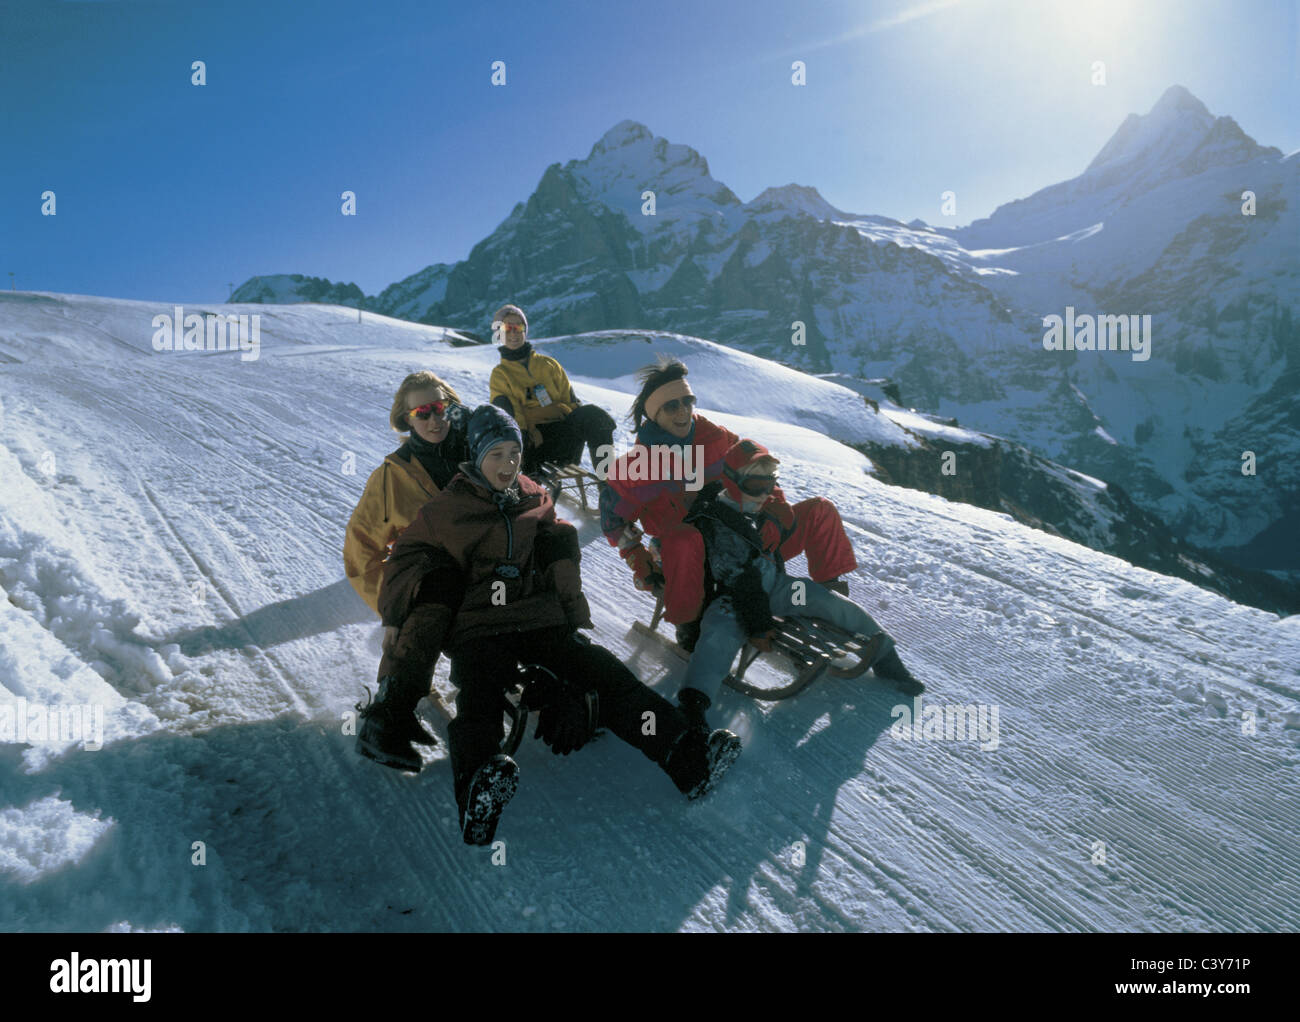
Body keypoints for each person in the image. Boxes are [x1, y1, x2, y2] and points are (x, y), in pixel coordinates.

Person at [358, 404, 741, 846]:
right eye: (496, 454)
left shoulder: (534, 498)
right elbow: (404, 560)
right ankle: (479, 789)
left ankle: (688, 759)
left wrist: (572, 629)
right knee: (480, 696)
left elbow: (560, 551)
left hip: (537, 619)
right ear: (476, 455)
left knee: (610, 677)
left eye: (514, 455)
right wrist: (399, 614)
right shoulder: (446, 509)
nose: (508, 465)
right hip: (477, 626)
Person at [598, 356, 860, 646]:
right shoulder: (637, 467)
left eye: (688, 400)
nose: (683, 411)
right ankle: (690, 625)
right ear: (654, 414)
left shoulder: (717, 438)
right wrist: (637, 558)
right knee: (684, 539)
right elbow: (613, 519)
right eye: (672, 405)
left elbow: (758, 473)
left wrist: (774, 510)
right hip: (690, 557)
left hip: (746, 537)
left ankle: (830, 602)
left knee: (820, 510)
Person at [674, 439, 924, 734]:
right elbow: (743, 581)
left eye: (771, 483)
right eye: (757, 484)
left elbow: (772, 526)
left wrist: (775, 517)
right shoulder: (716, 520)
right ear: (734, 481)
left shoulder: (756, 505)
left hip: (773, 584)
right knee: (719, 635)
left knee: (827, 601)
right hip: (730, 595)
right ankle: (694, 702)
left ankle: (886, 656)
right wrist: (758, 627)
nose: (766, 492)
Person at [343, 370, 469, 615]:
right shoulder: (391, 477)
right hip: (441, 592)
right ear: (407, 419)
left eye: (439, 407)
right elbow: (361, 551)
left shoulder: (478, 453)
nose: (434, 420)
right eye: (421, 413)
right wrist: (399, 604)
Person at [488, 303, 616, 478]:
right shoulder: (500, 375)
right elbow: (510, 416)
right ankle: (530, 490)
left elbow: (571, 403)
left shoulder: (548, 365)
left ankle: (609, 482)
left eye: (518, 327)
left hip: (563, 439)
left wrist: (556, 412)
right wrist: (532, 428)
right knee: (516, 432)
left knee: (595, 416)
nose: (514, 333)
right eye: (507, 328)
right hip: (532, 446)